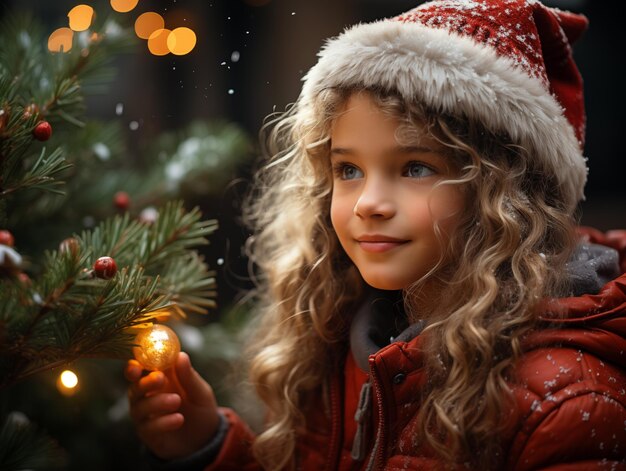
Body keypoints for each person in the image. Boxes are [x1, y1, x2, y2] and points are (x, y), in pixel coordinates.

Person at [125, 0, 626, 469]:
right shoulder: (349, 336)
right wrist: (209, 446)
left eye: (414, 168)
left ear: (508, 192)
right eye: (347, 170)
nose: (367, 203)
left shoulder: (567, 401)